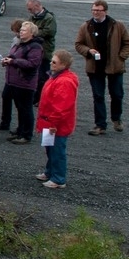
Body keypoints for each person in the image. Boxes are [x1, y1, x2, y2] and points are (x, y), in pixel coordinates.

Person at [74, 0, 129, 135]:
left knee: (117, 94)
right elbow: (78, 44)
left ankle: (116, 119)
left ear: (105, 11)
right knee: (98, 96)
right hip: (95, 67)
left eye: (98, 10)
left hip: (114, 67)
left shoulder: (117, 25)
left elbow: (127, 43)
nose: (95, 13)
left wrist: (121, 57)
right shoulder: (86, 26)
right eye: (93, 10)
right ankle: (100, 125)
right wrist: (88, 51)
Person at [36, 50, 79, 189]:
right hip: (50, 122)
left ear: (63, 65)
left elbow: (62, 107)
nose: (51, 63)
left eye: (54, 62)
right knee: (50, 149)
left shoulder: (64, 82)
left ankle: (59, 179)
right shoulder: (56, 77)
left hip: (56, 124)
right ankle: (50, 172)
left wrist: (53, 123)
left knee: (57, 151)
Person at [0, 21, 43, 144]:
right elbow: (14, 56)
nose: (21, 32)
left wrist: (13, 62)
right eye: (21, 30)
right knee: (20, 108)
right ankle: (20, 131)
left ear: (31, 33)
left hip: (25, 82)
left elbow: (32, 64)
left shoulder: (35, 47)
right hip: (14, 81)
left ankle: (26, 134)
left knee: (26, 109)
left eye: (24, 30)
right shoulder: (20, 44)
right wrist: (7, 60)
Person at [26, 0, 56, 101]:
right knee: (34, 75)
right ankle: (35, 97)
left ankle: (43, 98)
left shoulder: (49, 18)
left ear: (37, 6)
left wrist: (32, 33)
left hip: (45, 51)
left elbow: (49, 32)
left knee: (43, 77)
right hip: (33, 51)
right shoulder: (32, 18)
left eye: (30, 9)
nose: (29, 11)